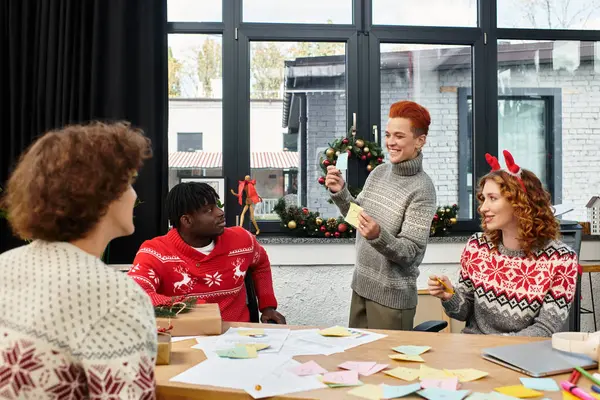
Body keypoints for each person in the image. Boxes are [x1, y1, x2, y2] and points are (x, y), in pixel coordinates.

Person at [0, 122, 157, 399]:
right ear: (102, 194)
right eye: (129, 182)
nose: (135, 195)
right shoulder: (116, 295)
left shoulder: (6, 264)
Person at [428, 150, 579, 337]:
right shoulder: (477, 246)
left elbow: (544, 329)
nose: (483, 208)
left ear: (520, 203)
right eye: (483, 199)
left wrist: (493, 346)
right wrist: (450, 296)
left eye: (493, 198)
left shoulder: (562, 260)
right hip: (473, 352)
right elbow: (464, 311)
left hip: (522, 357)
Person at [326, 100, 437, 330]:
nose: (390, 143)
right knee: (357, 363)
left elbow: (411, 253)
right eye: (388, 135)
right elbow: (360, 220)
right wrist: (340, 192)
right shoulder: (379, 173)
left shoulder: (423, 189)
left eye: (399, 136)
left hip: (392, 301)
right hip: (361, 288)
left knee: (387, 366)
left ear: (420, 140)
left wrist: (379, 235)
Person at [128, 182, 286, 324]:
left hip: (238, 336)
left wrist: (267, 306)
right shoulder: (155, 252)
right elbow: (134, 296)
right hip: (185, 339)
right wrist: (196, 307)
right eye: (209, 210)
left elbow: (261, 263)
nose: (220, 213)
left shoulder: (242, 240)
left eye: (217, 206)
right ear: (187, 221)